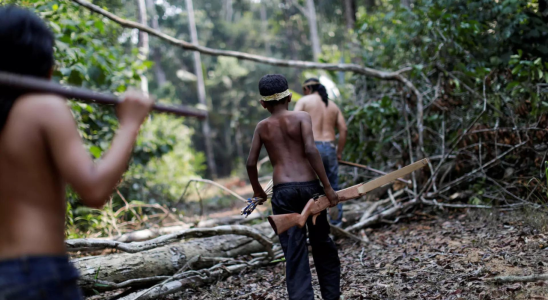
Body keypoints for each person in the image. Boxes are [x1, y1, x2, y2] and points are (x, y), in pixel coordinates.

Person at [0, 6, 154, 300]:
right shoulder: (43, 107)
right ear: (46, 65)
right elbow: (94, 190)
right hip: (37, 274)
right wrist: (130, 124)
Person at [246, 74, 341, 300]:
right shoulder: (302, 117)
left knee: (294, 253)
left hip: (283, 193)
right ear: (289, 97)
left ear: (263, 104)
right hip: (310, 189)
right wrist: (327, 187)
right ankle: (332, 296)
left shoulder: (262, 127)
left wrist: (258, 191)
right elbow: (310, 150)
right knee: (322, 244)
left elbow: (250, 163)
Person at [294, 78, 347, 226]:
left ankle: (313, 225)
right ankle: (337, 224)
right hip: (329, 148)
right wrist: (339, 152)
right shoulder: (333, 105)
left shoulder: (305, 101)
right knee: (333, 188)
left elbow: (292, 124)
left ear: (308, 89)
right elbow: (343, 129)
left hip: (311, 149)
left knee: (309, 188)